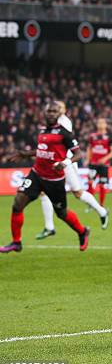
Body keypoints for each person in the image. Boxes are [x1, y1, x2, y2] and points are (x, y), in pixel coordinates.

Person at [1, 101, 90, 253]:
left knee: (61, 213)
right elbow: (42, 150)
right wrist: (25, 154)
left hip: (54, 180)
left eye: (54, 111)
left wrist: (65, 162)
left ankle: (82, 232)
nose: (50, 114)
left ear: (58, 114)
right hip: (36, 175)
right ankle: (16, 242)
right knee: (17, 204)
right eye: (48, 111)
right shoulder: (43, 131)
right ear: (44, 113)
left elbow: (78, 154)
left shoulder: (64, 133)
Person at [36, 101, 109, 240]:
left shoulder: (64, 122)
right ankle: (49, 227)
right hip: (54, 162)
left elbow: (63, 142)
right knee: (44, 192)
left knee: (78, 193)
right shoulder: (52, 123)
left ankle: (102, 211)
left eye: (59, 107)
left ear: (63, 110)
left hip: (66, 162)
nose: (56, 109)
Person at [86, 118, 112, 208]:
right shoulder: (92, 136)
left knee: (102, 185)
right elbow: (89, 148)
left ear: (106, 125)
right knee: (90, 182)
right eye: (99, 122)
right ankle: (91, 204)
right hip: (93, 164)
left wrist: (105, 158)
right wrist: (87, 159)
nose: (100, 124)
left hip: (104, 165)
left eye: (102, 123)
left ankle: (101, 205)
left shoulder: (109, 137)